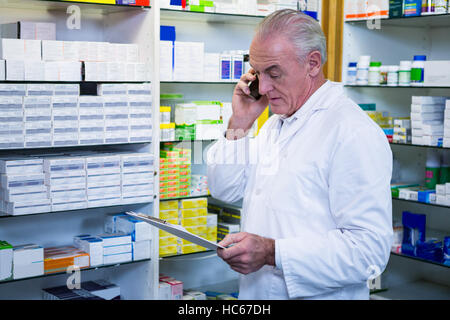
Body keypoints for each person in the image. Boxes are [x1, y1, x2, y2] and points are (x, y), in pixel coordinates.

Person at [206, 9, 393, 300]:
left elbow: (367, 252)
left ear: (313, 63)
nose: (263, 88)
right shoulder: (275, 124)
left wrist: (272, 252)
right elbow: (224, 188)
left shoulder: (352, 132)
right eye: (257, 73)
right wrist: (240, 122)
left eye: (274, 73)